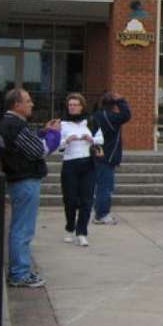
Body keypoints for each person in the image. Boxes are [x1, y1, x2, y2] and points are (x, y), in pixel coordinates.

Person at [0, 89, 61, 287]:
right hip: (24, 180)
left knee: (20, 227)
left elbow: (26, 145)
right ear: (17, 105)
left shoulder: (8, 123)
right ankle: (20, 273)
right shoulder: (15, 124)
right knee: (23, 229)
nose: (32, 104)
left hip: (19, 179)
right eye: (28, 101)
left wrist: (43, 132)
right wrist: (54, 133)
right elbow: (40, 150)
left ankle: (19, 271)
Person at [60, 93, 103, 247]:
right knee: (70, 200)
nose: (72, 107)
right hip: (70, 164)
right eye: (70, 105)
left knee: (87, 200)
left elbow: (101, 139)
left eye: (75, 105)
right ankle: (70, 228)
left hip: (88, 163)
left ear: (82, 106)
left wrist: (91, 139)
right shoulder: (62, 124)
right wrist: (66, 141)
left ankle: (82, 232)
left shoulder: (90, 121)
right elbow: (56, 145)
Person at [92, 92, 131, 225]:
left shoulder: (96, 115)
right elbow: (126, 115)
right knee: (106, 187)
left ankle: (99, 212)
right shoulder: (111, 117)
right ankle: (102, 214)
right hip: (108, 156)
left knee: (101, 186)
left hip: (98, 154)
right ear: (113, 106)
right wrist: (121, 100)